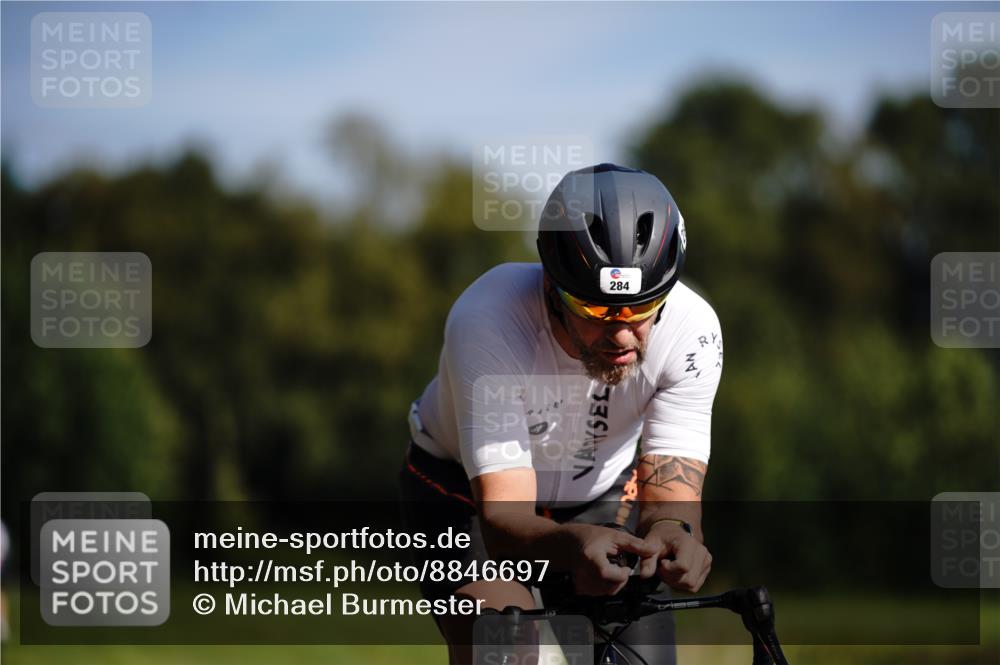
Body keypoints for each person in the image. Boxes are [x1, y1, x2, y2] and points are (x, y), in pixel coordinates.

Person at [399, 163, 723, 664]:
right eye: (595, 310)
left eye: (641, 309)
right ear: (551, 286)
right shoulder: (489, 319)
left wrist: (674, 534)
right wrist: (572, 549)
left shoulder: (691, 329)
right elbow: (504, 520)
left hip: (601, 493)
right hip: (464, 494)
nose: (621, 334)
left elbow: (671, 499)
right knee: (504, 648)